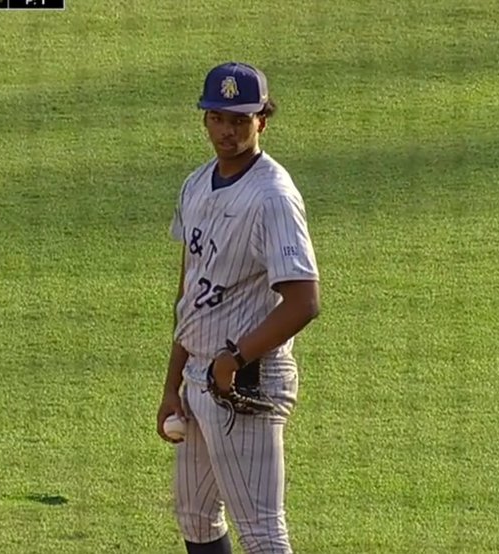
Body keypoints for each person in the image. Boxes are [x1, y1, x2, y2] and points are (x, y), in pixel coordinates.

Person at [156, 61, 321, 554]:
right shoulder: (195, 184)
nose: (226, 131)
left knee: (263, 533)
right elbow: (190, 296)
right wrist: (172, 384)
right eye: (217, 118)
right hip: (199, 380)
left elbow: (304, 301)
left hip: (248, 381)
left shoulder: (272, 196)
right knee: (196, 517)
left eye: (240, 120)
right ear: (204, 119)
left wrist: (234, 360)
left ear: (261, 123)